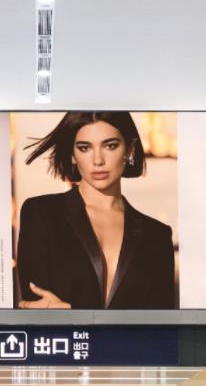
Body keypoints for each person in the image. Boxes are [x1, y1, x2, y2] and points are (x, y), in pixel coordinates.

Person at [16, 111, 176, 310]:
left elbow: (160, 323)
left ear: (130, 149)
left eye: (110, 146)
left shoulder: (157, 237)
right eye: (84, 148)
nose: (98, 160)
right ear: (72, 154)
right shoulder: (41, 215)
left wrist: (70, 315)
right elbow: (36, 306)